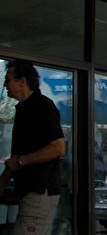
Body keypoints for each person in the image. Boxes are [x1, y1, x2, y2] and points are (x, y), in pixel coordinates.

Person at [1, 59, 66, 235]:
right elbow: (17, 157)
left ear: (22, 81)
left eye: (7, 80)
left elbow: (58, 147)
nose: (5, 85)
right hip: (29, 192)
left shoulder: (42, 106)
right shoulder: (24, 109)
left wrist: (21, 161)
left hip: (39, 191)